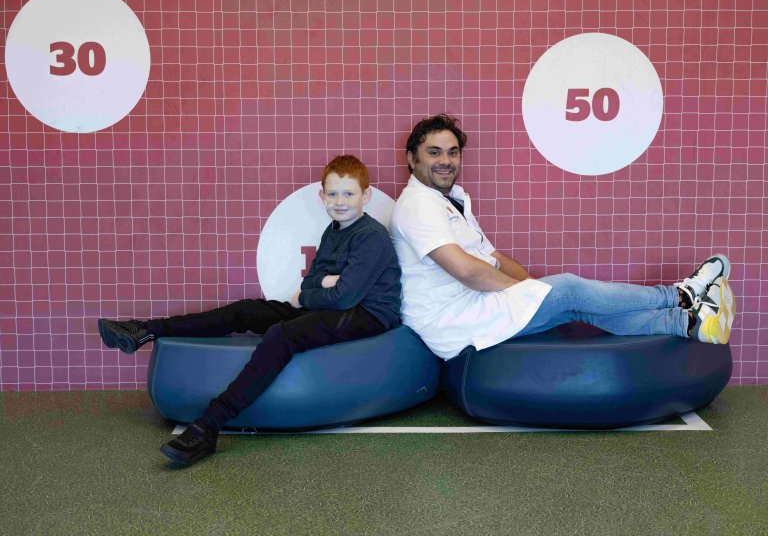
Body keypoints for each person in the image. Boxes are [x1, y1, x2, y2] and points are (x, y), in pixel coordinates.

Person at [98, 155, 402, 465]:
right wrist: (325, 283)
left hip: (370, 314)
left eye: (349, 194)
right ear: (321, 195)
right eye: (333, 194)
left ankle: (208, 426)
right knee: (246, 311)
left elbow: (340, 297)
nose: (340, 202)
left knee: (283, 335)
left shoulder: (371, 236)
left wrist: (318, 291)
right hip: (341, 308)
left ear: (366, 196)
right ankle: (147, 329)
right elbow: (313, 284)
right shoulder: (332, 231)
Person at [388, 114, 735, 361]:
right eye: (434, 152)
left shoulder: (455, 198)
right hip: (451, 320)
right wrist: (532, 293)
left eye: (452, 152)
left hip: (477, 304)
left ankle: (689, 323)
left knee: (573, 305)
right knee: (569, 288)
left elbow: (491, 256)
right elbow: (467, 270)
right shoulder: (417, 203)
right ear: (411, 159)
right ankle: (679, 295)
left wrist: (535, 288)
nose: (445, 161)